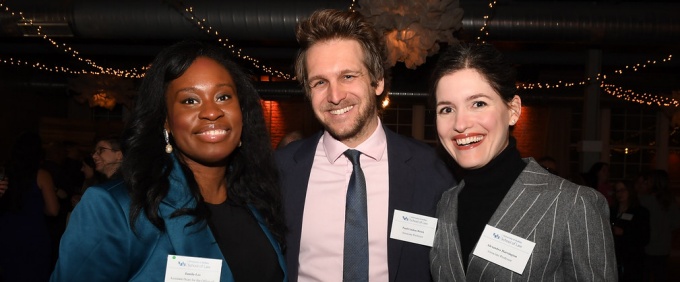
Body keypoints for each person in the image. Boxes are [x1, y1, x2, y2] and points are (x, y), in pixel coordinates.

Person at [51, 40, 287, 281]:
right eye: (190, 100)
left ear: (242, 113)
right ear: (166, 121)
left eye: (223, 96)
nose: (211, 111)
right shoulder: (117, 208)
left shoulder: (259, 202)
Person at [276, 9, 455, 282]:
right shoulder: (281, 170)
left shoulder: (432, 170)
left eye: (348, 76)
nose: (335, 96)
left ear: (378, 81)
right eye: (320, 82)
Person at [428, 43, 617, 281]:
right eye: (446, 109)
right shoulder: (447, 202)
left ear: (513, 110)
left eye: (478, 104)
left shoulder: (573, 205)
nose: (460, 124)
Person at [0, 132, 60, 282]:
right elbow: (53, 210)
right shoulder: (42, 175)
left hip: (6, 230)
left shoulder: (5, 171)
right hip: (32, 233)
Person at [637, 169, 680, 282]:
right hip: (661, 245)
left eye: (649, 181)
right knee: (660, 274)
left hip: (648, 245)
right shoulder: (669, 200)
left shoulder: (645, 200)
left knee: (646, 274)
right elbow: (676, 223)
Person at [610, 180, 650, 281]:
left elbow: (644, 238)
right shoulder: (612, 210)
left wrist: (624, 233)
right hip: (614, 257)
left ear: (630, 191)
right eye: (617, 191)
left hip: (633, 259)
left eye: (623, 190)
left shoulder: (640, 212)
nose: (619, 193)